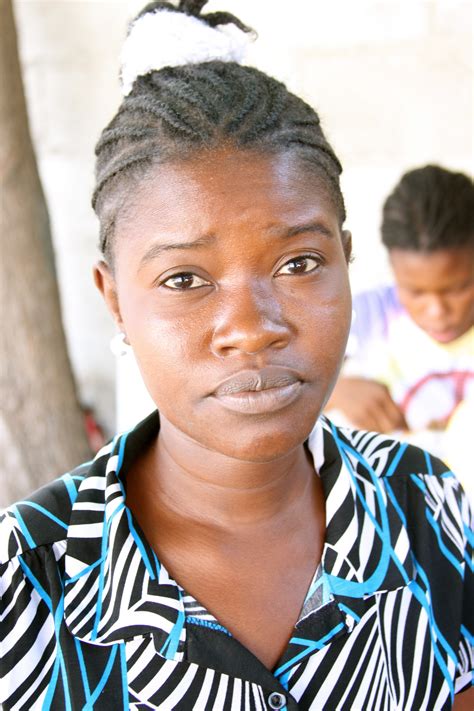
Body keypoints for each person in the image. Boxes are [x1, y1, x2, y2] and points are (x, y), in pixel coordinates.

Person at [1, 3, 472, 709]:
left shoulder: (426, 504)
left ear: (347, 263)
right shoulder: (25, 582)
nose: (252, 328)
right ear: (117, 301)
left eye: (299, 262)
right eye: (185, 279)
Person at [327, 165, 474, 443]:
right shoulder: (365, 318)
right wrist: (334, 392)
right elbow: (276, 380)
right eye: (415, 292)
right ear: (394, 269)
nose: (436, 311)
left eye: (458, 289)